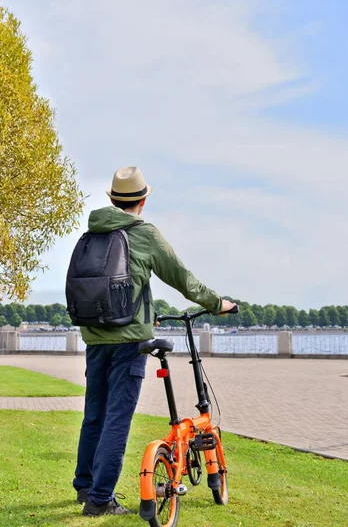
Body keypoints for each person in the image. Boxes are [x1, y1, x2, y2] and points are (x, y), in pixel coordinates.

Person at [72, 166, 235, 517]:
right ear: (142, 201)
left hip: (94, 338)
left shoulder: (92, 233)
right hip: (129, 342)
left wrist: (150, 314)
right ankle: (100, 499)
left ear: (112, 199)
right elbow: (182, 278)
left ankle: (85, 486)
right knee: (118, 418)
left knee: (94, 415)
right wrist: (217, 303)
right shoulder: (143, 233)